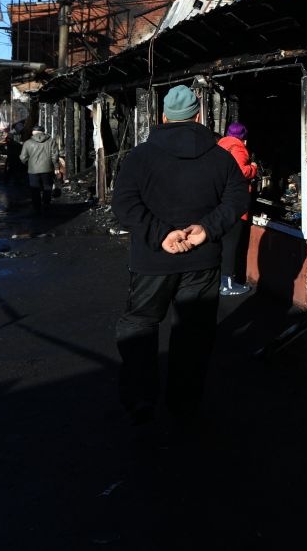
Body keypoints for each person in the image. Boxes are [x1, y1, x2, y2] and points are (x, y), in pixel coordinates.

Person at [110, 85, 248, 427]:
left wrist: (161, 235)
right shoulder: (222, 158)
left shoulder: (140, 157)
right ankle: (184, 405)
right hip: (202, 260)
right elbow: (236, 202)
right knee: (193, 333)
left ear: (163, 118)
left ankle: (142, 399)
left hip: (151, 261)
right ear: (199, 117)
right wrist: (205, 229)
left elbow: (124, 205)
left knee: (140, 324)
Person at [216, 121, 257, 296]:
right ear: (244, 139)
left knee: (223, 242)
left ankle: (220, 279)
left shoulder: (220, 146)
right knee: (232, 243)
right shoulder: (238, 148)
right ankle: (227, 283)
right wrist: (253, 168)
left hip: (220, 200)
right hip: (234, 202)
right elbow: (241, 171)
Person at [18, 125, 58, 212]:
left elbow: (23, 157)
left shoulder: (28, 143)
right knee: (47, 187)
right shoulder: (51, 141)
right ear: (43, 132)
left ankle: (37, 207)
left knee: (34, 189)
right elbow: (54, 156)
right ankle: (46, 204)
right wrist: (56, 167)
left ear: (33, 132)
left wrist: (29, 164)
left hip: (33, 170)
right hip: (48, 169)